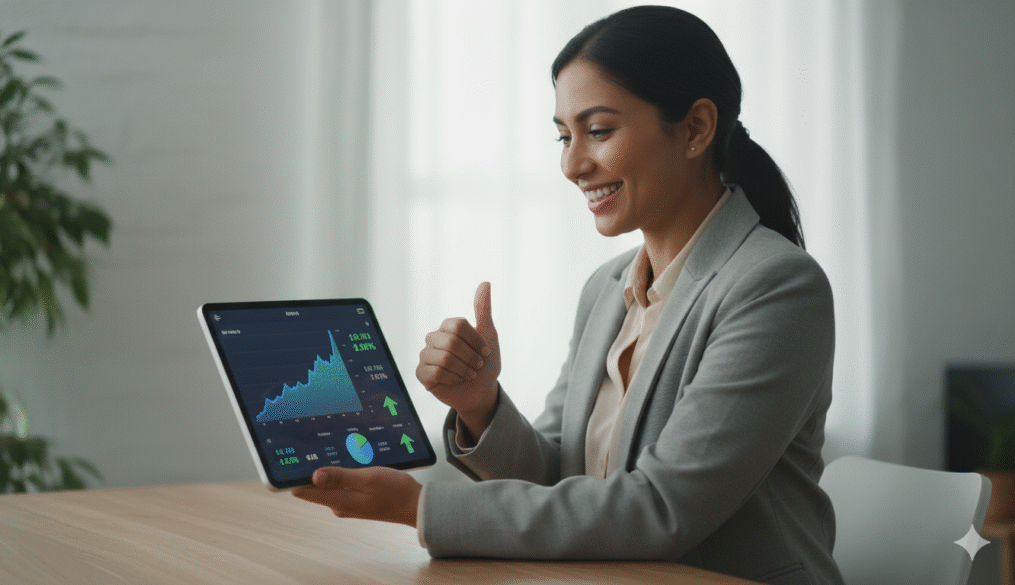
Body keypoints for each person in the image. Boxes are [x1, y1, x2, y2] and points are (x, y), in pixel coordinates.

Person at [293, 6, 844, 584]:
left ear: (696, 129)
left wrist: (417, 506)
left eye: (599, 130)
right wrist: (481, 403)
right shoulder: (606, 290)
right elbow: (561, 473)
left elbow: (662, 508)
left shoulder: (776, 289)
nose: (573, 164)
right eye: (564, 136)